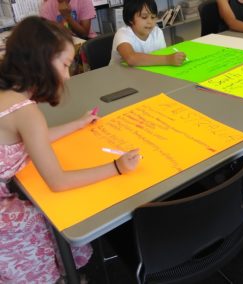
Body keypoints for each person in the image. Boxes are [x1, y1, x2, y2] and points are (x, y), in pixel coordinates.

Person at [0, 16, 141, 283]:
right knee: (49, 220)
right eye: (65, 65)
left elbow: (35, 139)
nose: (67, 76)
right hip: (5, 224)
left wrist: (77, 124)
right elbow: (58, 181)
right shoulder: (26, 112)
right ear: (40, 62)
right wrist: (116, 167)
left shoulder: (9, 96)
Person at [109, 0, 186, 66]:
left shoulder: (157, 32)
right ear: (130, 19)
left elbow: (160, 56)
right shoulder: (122, 34)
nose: (150, 22)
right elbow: (131, 58)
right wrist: (168, 59)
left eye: (153, 17)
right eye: (144, 17)